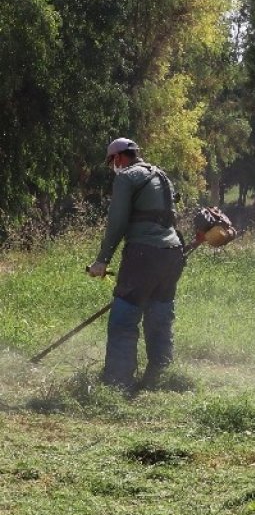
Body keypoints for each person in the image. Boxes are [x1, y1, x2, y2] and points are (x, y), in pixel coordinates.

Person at [88, 138, 186, 391]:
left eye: (111, 162)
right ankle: (160, 377)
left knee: (123, 318)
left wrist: (102, 261)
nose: (113, 166)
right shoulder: (162, 176)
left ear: (118, 158)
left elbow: (117, 222)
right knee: (159, 316)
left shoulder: (126, 177)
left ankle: (116, 383)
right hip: (173, 253)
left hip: (144, 254)